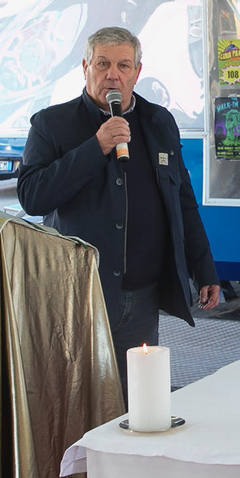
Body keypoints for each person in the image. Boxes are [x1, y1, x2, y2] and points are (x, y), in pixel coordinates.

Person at [18, 26, 220, 399]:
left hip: (141, 294)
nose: (113, 74)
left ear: (137, 72)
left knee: (138, 402)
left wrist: (203, 267)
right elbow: (33, 197)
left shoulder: (159, 121)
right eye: (103, 64)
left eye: (124, 65)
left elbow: (182, 200)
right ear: (85, 67)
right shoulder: (51, 124)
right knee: (78, 399)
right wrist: (96, 147)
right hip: (80, 294)